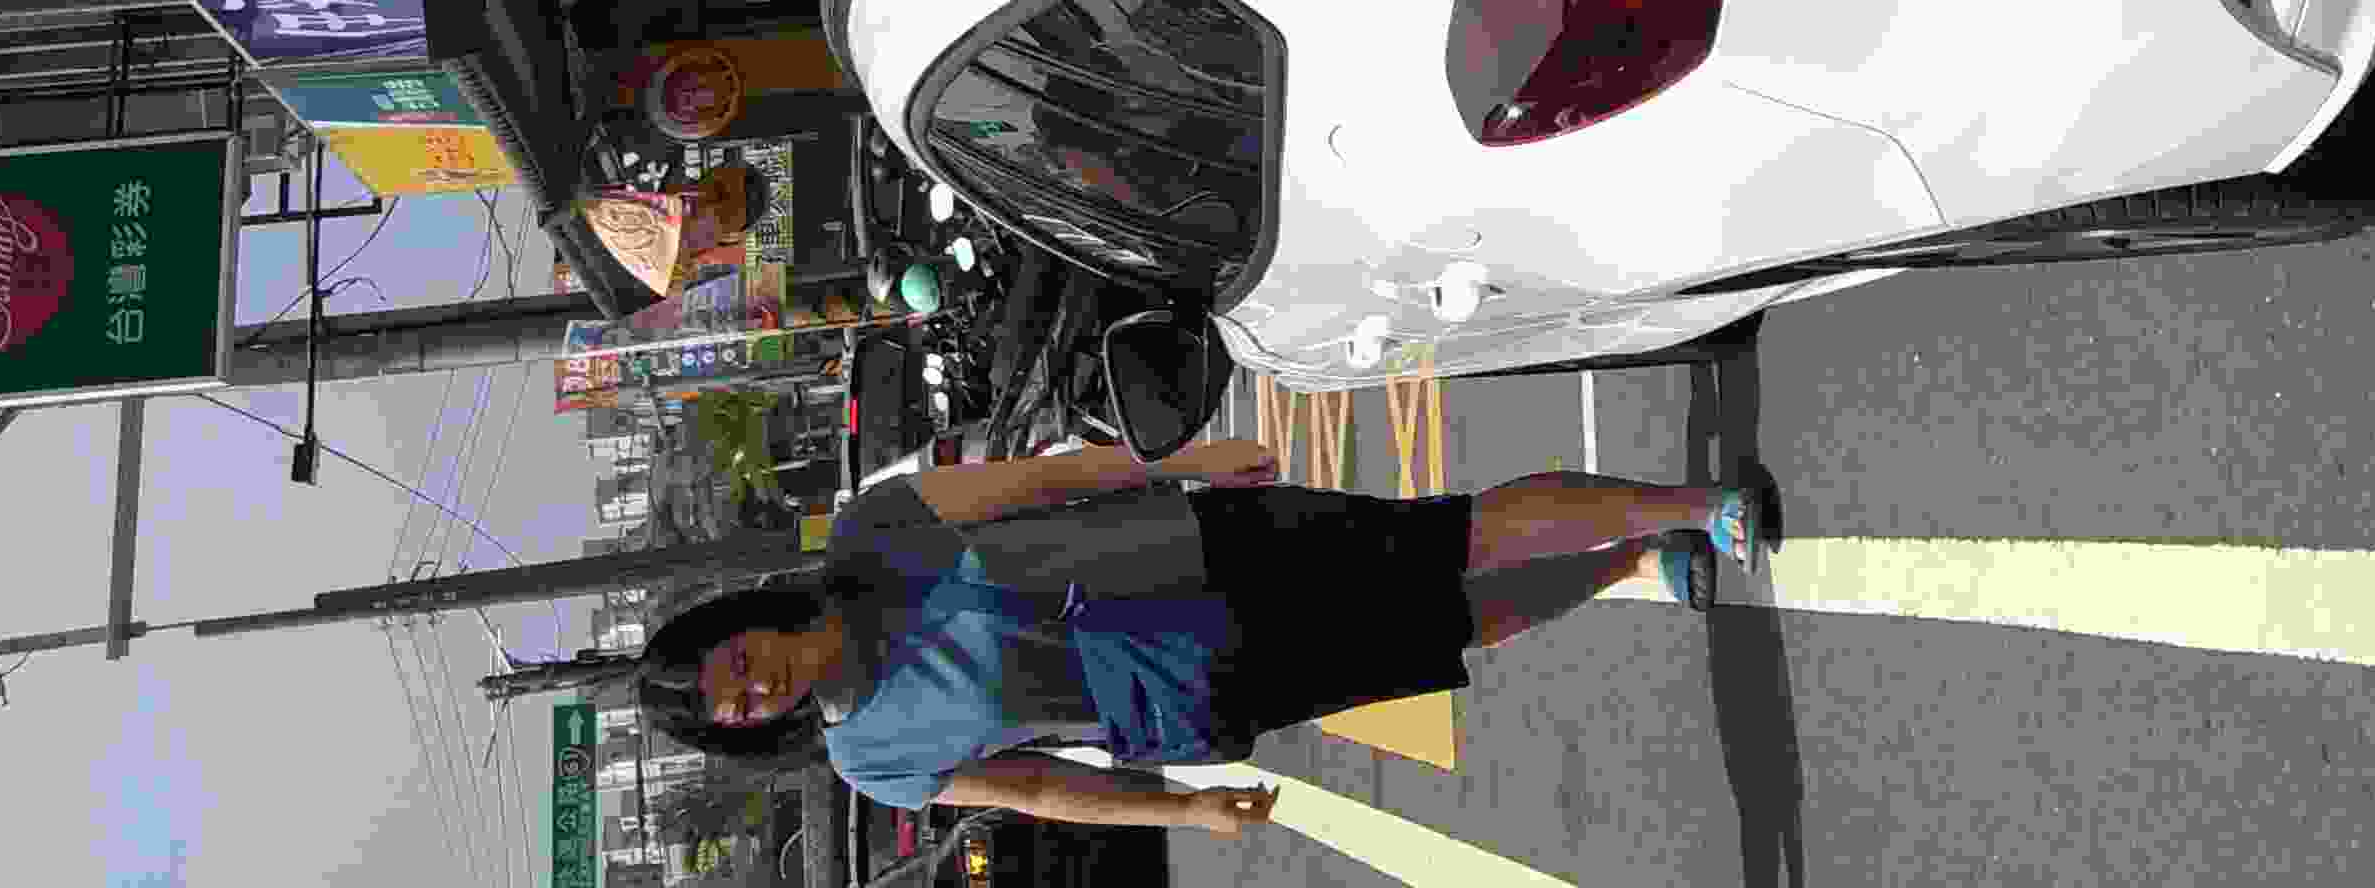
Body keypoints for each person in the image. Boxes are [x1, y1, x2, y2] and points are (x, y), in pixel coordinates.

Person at [634, 427, 1783, 837]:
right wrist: (1179, 808)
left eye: (733, 663)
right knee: (1458, 627)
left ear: (741, 625)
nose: (753, 685)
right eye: (737, 707)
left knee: (1454, 540)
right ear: (749, 729)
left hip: (1203, 551)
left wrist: (1181, 461)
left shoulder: (873, 533)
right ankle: (1633, 560)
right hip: (1189, 689)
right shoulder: (872, 760)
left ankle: (1690, 505)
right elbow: (1037, 789)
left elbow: (1038, 483)